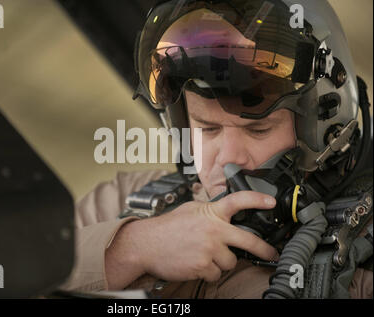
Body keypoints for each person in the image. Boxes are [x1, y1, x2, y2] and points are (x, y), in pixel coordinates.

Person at [58, 0, 373, 298]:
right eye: (208, 128)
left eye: (258, 129)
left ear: (325, 124)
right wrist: (133, 247)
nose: (228, 158)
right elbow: (15, 267)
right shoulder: (128, 200)